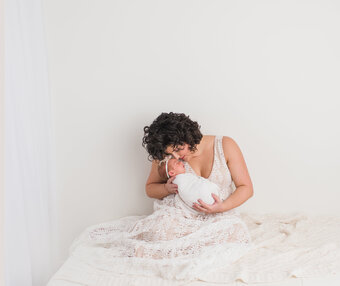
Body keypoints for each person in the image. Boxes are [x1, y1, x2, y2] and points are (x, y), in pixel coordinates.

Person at [72, 112, 255, 282]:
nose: (176, 156)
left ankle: (187, 250)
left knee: (236, 234)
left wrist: (221, 207)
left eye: (178, 149)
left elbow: (246, 188)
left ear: (189, 136)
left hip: (216, 215)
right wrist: (167, 188)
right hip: (179, 216)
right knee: (161, 232)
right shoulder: (166, 156)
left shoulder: (225, 145)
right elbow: (150, 189)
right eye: (170, 153)